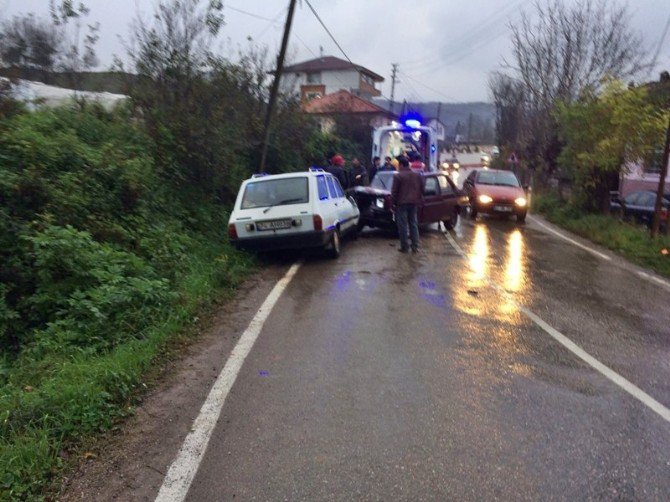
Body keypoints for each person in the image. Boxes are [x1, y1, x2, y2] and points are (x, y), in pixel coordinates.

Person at [391, 156, 423, 253]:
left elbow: (394, 192)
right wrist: (419, 198)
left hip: (402, 204)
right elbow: (422, 188)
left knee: (403, 226)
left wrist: (393, 203)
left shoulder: (398, 176)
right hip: (414, 203)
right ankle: (415, 246)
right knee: (413, 224)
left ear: (400, 165)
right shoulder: (417, 175)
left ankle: (404, 247)